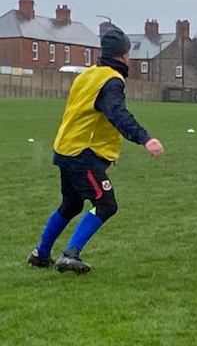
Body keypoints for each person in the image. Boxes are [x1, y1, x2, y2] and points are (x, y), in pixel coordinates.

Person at [27, 26, 164, 274]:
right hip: (83, 153)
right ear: (123, 56)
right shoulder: (111, 81)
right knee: (106, 204)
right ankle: (70, 255)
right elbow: (116, 113)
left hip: (66, 148)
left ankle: (41, 254)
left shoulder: (87, 75)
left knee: (71, 205)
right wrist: (144, 138)